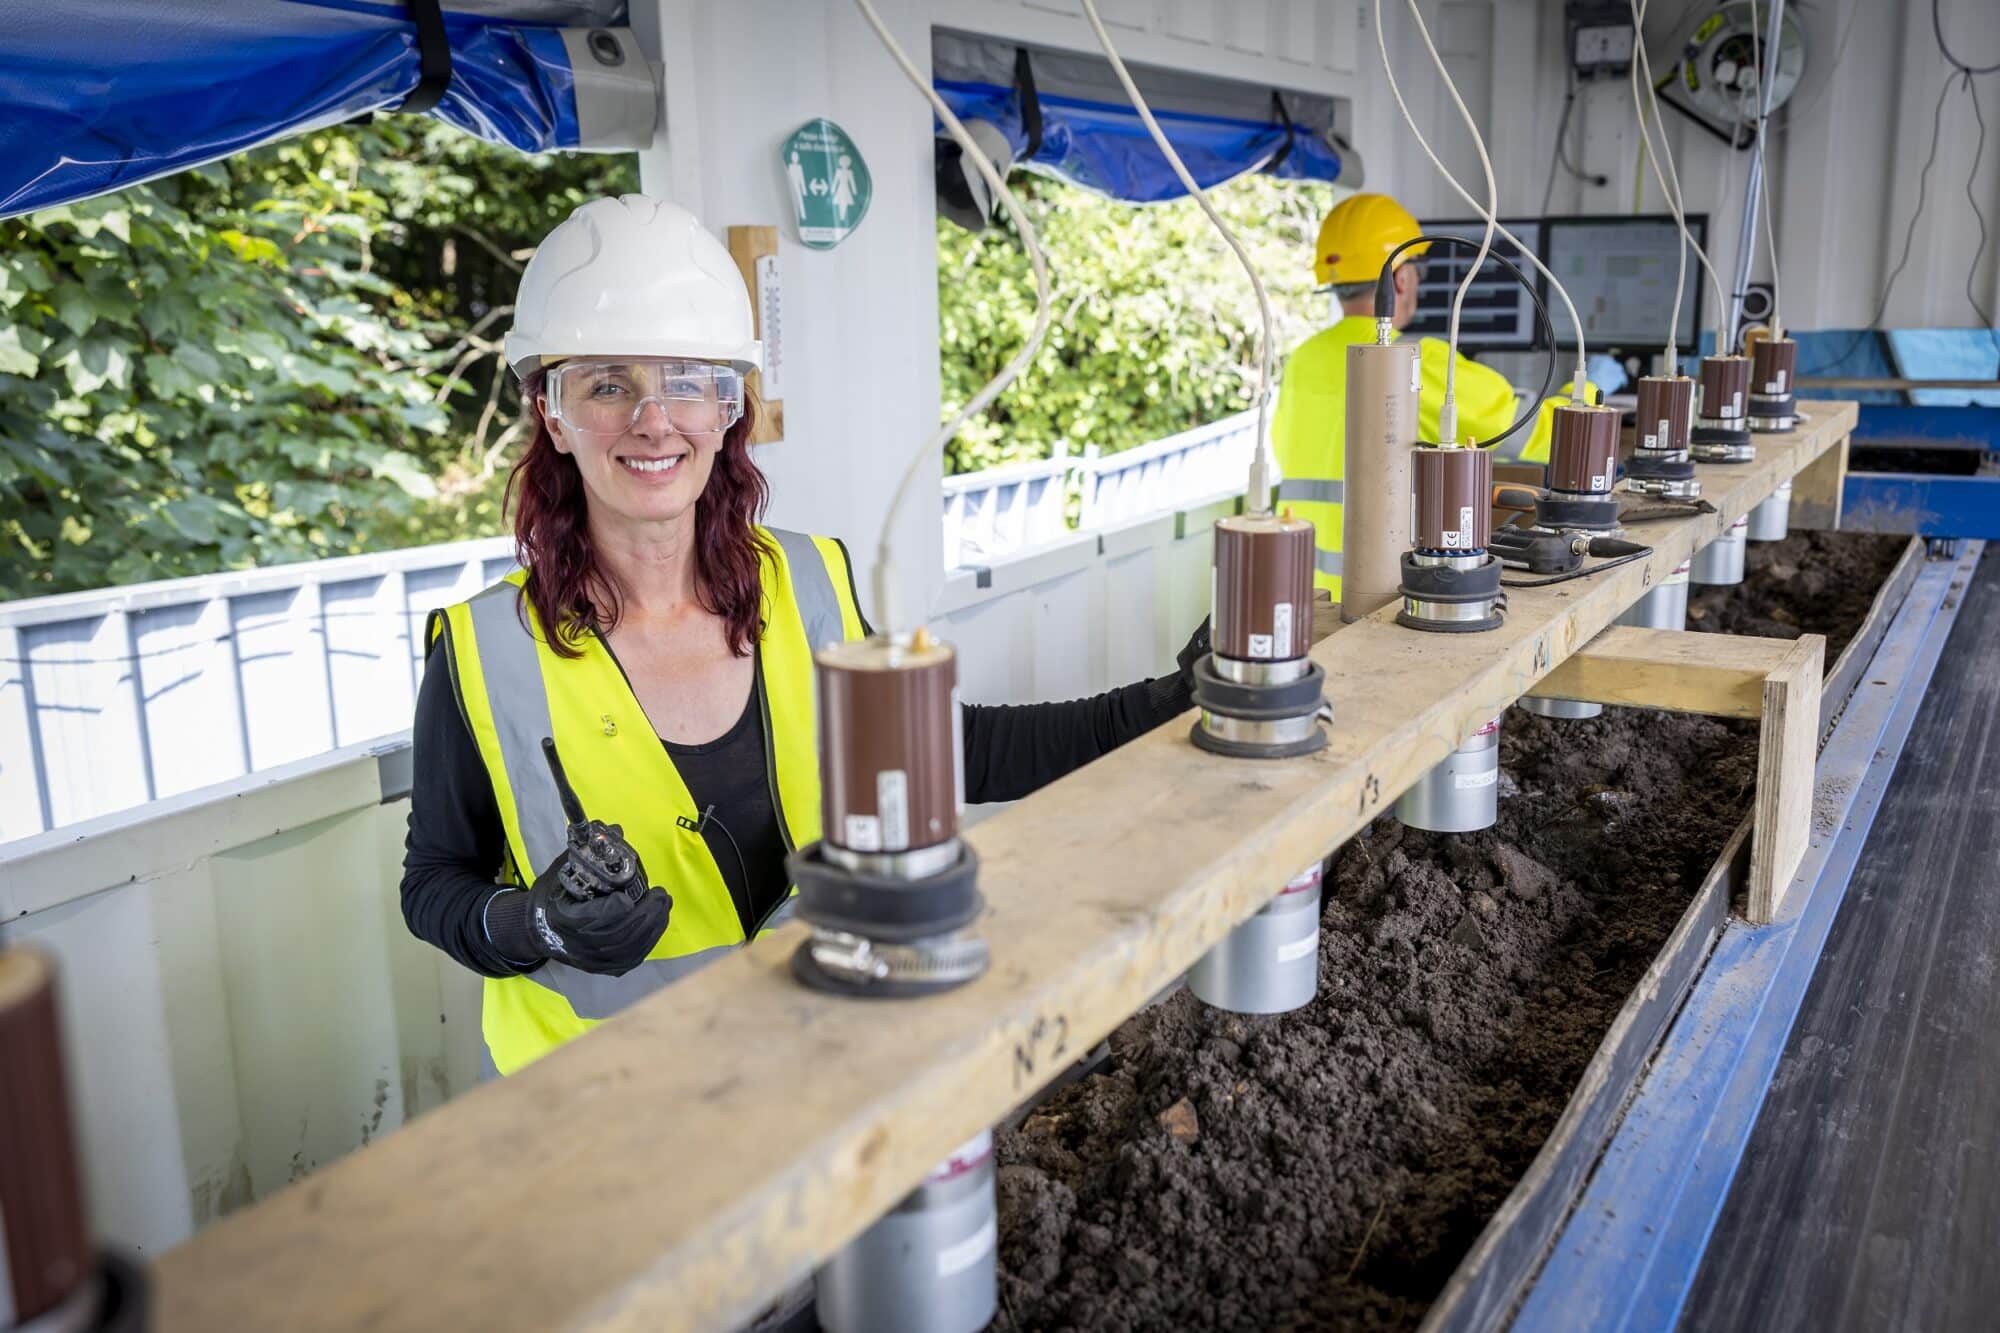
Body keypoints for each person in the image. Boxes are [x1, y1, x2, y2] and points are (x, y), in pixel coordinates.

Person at [401, 195, 1208, 1077]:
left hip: (815, 1067)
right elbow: (436, 883)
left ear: (727, 409)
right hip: (606, 1111)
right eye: (605, 384)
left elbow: (943, 747)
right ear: (552, 415)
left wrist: (1168, 707)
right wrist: (535, 923)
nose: (653, 418)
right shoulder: (487, 649)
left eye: (688, 380)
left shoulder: (809, 582)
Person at [1272, 193, 1546, 598]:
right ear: (1400, 278)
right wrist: (1592, 394)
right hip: (1381, 594)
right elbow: (1525, 428)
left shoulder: (1302, 360)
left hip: (1301, 593)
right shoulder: (1413, 361)